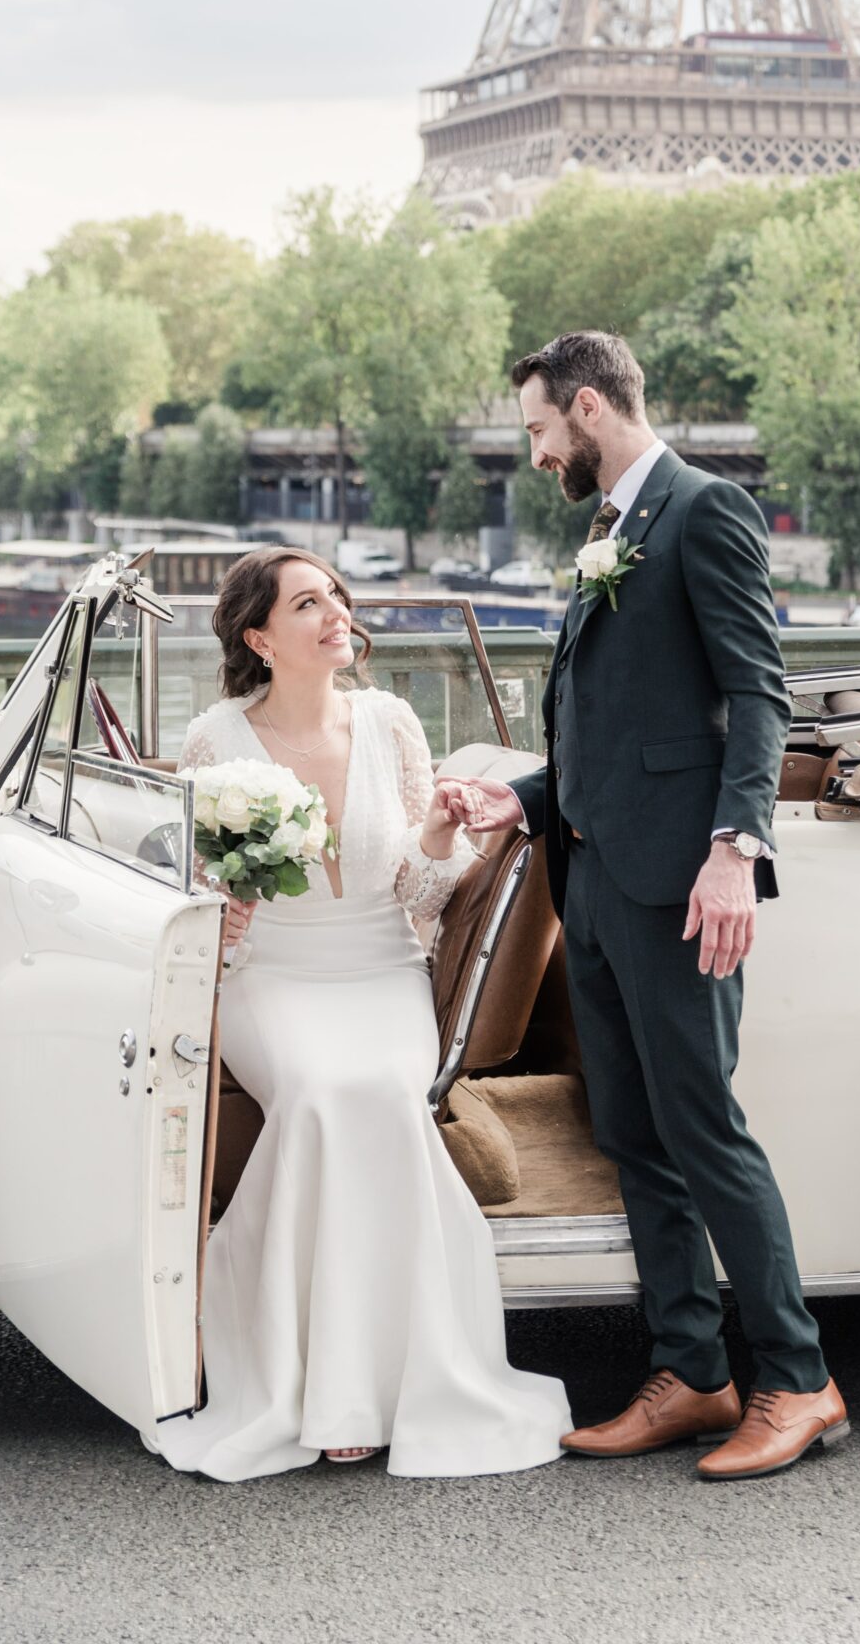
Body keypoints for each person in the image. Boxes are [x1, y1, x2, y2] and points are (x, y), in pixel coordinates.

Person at [441, 332, 847, 1482]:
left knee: (704, 1131)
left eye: (535, 429)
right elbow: (610, 721)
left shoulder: (703, 510)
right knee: (633, 1135)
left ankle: (796, 1379)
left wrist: (734, 849)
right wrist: (515, 796)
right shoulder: (610, 530)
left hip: (680, 886)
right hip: (597, 884)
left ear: (584, 406)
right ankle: (692, 1372)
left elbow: (753, 693)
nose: (533, 452)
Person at [152, 546, 571, 1482]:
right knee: (313, 1089)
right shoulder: (216, 740)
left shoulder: (388, 722)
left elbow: (425, 893)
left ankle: (387, 1382)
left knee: (379, 1088)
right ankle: (302, 1382)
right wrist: (229, 905)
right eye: (308, 603)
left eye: (336, 596)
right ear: (260, 637)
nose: (336, 612)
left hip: (382, 967)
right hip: (273, 976)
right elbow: (195, 900)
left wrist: (438, 835)